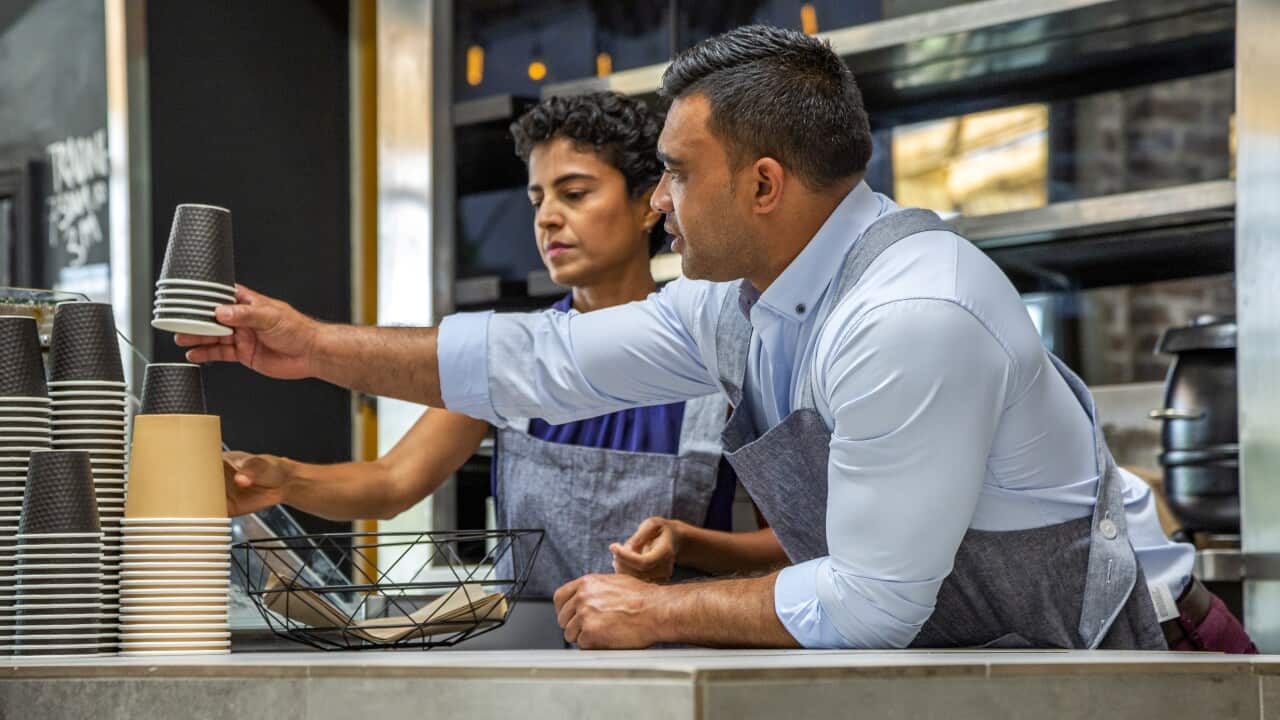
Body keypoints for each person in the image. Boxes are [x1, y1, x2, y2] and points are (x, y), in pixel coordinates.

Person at [182, 26, 1255, 653]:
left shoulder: (908, 318)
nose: (663, 206)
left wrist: (659, 610)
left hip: (1143, 658)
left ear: (762, 184)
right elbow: (537, 364)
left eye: (677, 175)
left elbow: (873, 601)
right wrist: (309, 346)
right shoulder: (745, 300)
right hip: (997, 660)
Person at [218, 92, 785, 600]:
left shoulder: (716, 354)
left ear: (647, 205)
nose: (548, 218)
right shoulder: (514, 361)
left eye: (576, 193)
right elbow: (391, 483)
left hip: (672, 660)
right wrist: (284, 479)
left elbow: (792, 541)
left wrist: (689, 545)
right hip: (531, 657)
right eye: (537, 199)